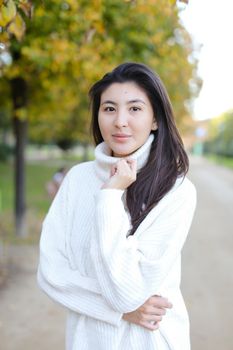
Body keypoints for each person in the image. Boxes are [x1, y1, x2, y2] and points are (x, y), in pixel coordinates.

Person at [37, 62, 196, 350]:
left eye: (134, 109)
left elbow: (128, 291)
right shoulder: (77, 179)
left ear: (156, 119)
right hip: (86, 342)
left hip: (151, 341)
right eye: (109, 108)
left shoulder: (177, 190)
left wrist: (109, 198)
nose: (120, 121)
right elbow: (51, 273)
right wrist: (119, 312)